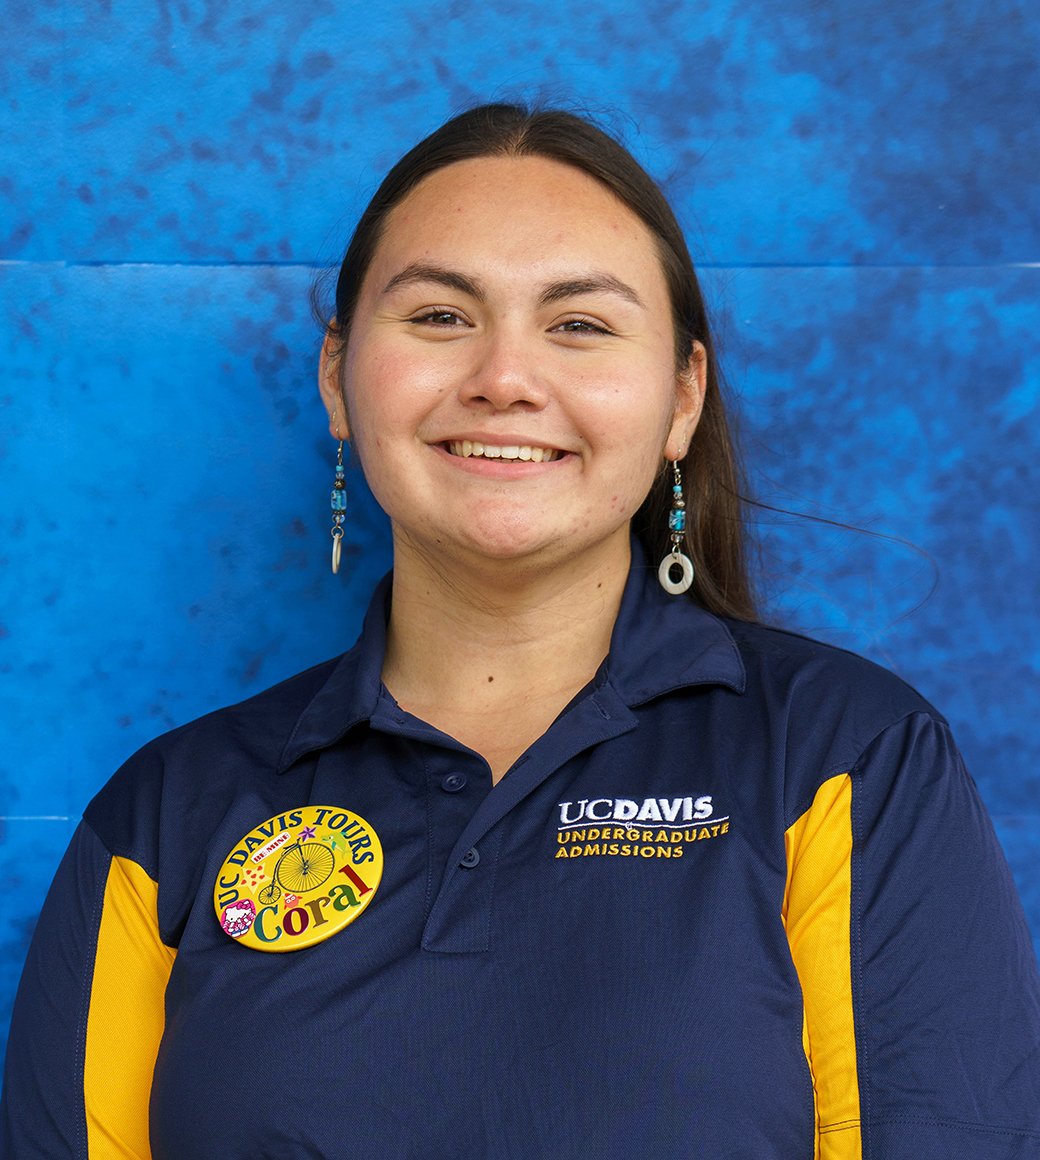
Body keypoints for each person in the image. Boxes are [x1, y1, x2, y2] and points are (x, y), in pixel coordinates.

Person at [2, 103, 1039, 1160]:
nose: (502, 377)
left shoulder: (847, 759)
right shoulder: (162, 817)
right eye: (440, 317)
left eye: (578, 324)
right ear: (337, 378)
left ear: (681, 396)